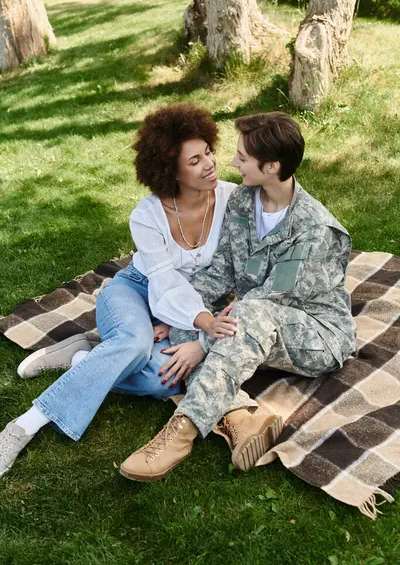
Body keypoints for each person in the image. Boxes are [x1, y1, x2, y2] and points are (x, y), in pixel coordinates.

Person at [1, 104, 278, 480]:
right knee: (133, 342)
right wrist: (190, 320)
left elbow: (246, 272)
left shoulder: (234, 201)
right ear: (171, 170)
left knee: (157, 379)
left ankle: (83, 358)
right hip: (137, 290)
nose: (210, 164)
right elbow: (162, 282)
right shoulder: (146, 215)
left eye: (209, 152)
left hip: (195, 304)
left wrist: (198, 337)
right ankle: (23, 426)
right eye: (194, 160)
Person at [120, 111, 357, 482]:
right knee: (196, 318)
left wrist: (202, 340)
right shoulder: (244, 202)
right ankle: (242, 419)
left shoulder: (317, 230)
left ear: (272, 165)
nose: (231, 163)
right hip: (253, 318)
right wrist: (183, 314)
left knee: (229, 322)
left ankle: (181, 432)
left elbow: (272, 300)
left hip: (316, 333)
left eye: (242, 158)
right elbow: (222, 270)